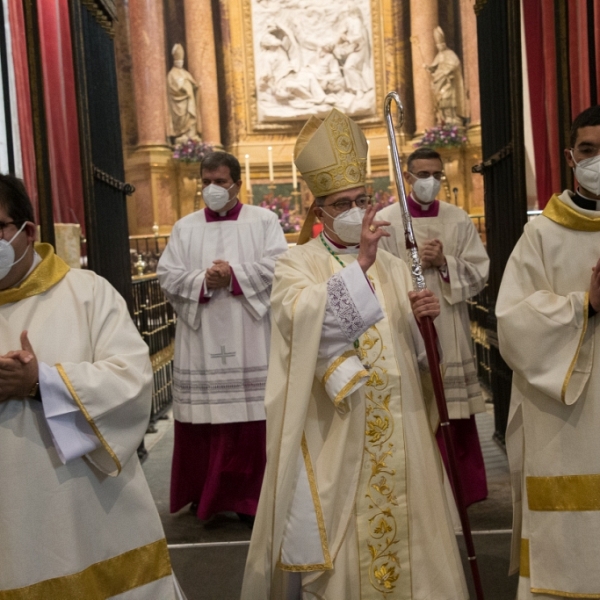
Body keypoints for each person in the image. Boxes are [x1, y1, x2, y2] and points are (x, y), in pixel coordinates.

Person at [241, 108, 467, 599]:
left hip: (403, 429)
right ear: (317, 209)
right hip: (338, 433)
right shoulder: (295, 265)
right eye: (342, 202)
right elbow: (302, 324)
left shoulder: (393, 265)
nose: (354, 210)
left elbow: (418, 360)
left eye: (361, 200)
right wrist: (359, 267)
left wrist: (427, 331)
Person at [0, 175, 183, 598]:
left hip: (90, 511)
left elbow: (132, 381)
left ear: (27, 232)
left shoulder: (86, 294)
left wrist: (40, 382)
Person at [496, 105, 600, 599]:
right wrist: (585, 308)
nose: (597, 160)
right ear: (569, 156)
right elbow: (513, 323)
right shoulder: (542, 234)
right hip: (566, 415)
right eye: (589, 150)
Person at [157, 151, 288, 526]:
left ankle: (251, 498)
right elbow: (167, 274)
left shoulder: (264, 221)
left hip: (249, 332)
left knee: (251, 418)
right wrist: (203, 280)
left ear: (237, 183)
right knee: (206, 419)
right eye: (206, 182)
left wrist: (234, 275)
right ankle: (205, 494)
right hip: (202, 335)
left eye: (220, 181)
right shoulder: (185, 227)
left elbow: (281, 266)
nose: (212, 189)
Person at [379, 146, 490, 506]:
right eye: (422, 175)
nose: (429, 182)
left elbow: (480, 273)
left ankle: (460, 490)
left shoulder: (458, 218)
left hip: (450, 325)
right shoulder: (387, 220)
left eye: (436, 175)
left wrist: (445, 263)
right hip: (404, 322)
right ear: (407, 177)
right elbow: (375, 276)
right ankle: (416, 493)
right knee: (410, 410)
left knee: (452, 413)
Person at [425, 27, 466, 126]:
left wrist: (447, 71)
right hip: (440, 81)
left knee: (448, 99)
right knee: (441, 100)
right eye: (438, 45)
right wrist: (428, 67)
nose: (439, 46)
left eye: (441, 44)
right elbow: (434, 67)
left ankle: (452, 117)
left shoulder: (450, 53)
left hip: (448, 82)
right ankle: (444, 118)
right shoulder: (439, 56)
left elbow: (455, 63)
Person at [167, 43, 201, 142]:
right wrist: (182, 88)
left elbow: (193, 83)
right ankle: (182, 133)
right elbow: (172, 88)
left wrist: (196, 86)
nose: (180, 63)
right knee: (182, 118)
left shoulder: (186, 73)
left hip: (189, 101)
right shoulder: (171, 74)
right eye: (178, 61)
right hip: (179, 103)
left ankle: (191, 133)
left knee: (191, 117)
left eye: (181, 61)